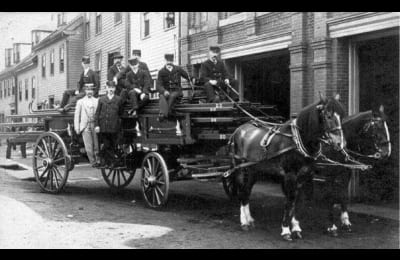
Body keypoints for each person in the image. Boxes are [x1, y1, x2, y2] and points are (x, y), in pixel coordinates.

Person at [94, 81, 124, 168]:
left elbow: (120, 113)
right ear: (106, 88)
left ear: (114, 89)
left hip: (114, 128)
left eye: (112, 88)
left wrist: (119, 124)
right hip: (104, 127)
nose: (111, 89)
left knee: (113, 145)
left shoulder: (118, 99)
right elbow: (97, 114)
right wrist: (97, 125)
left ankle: (108, 161)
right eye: (109, 88)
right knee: (106, 145)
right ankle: (111, 162)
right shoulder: (102, 99)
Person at [157, 54, 192, 119]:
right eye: (168, 61)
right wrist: (164, 91)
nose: (169, 62)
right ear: (165, 61)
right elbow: (158, 85)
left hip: (177, 91)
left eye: (171, 61)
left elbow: (187, 76)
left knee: (172, 95)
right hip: (167, 92)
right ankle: (168, 113)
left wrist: (192, 79)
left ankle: (167, 113)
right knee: (162, 96)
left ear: (173, 61)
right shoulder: (161, 71)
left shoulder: (178, 69)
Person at [73, 84, 100, 167]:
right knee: (88, 146)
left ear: (93, 91)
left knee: (96, 145)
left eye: (91, 90)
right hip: (85, 125)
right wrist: (77, 127)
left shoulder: (97, 101)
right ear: (85, 90)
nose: (89, 91)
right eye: (88, 90)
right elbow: (77, 115)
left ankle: (98, 160)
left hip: (94, 125)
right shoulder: (80, 102)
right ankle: (93, 162)